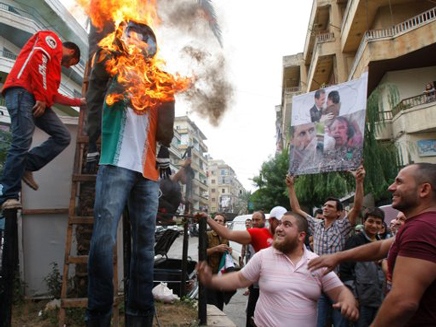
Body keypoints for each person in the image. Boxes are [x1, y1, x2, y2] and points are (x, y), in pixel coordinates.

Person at [85, 22, 174, 327]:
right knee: (103, 240)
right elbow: (94, 98)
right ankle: (98, 317)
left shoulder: (157, 76)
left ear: (152, 45)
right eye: (134, 36)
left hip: (147, 170)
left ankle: (139, 318)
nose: (139, 41)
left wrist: (165, 148)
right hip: (114, 161)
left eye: (146, 38)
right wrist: (92, 144)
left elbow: (167, 110)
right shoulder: (112, 65)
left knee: (145, 248)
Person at [308, 163, 436, 327]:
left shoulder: (421, 228)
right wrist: (338, 257)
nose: (391, 187)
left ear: (424, 190)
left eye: (399, 182)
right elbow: (381, 247)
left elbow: (403, 301)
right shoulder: (419, 226)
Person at [197, 211, 359, 327]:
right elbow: (239, 278)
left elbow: (340, 291)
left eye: (286, 224)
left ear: (301, 236)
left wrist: (348, 301)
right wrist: (211, 280)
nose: (279, 228)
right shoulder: (264, 256)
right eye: (279, 223)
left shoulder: (315, 263)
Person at [0, 31, 84, 210]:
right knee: (21, 140)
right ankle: (8, 196)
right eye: (71, 62)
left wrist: (78, 102)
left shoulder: (53, 72)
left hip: (38, 99)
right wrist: (40, 96)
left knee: (62, 136)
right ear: (70, 51)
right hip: (22, 91)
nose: (68, 66)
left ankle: (26, 165)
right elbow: (38, 59)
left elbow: (53, 95)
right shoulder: (51, 39)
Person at [286, 165, 365, 327]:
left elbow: (357, 208)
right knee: (319, 323)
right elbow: (296, 209)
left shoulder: (343, 226)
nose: (325, 207)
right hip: (319, 284)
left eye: (330, 206)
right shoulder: (316, 224)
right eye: (325, 205)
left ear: (338, 213)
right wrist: (291, 186)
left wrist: (359, 182)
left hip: (338, 284)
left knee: (340, 324)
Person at [205, 206, 287, 326]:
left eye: (285, 223)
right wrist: (207, 219)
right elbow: (228, 234)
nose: (281, 226)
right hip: (258, 285)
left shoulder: (288, 239)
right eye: (279, 222)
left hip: (279, 292)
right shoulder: (258, 234)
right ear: (271, 221)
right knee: (252, 314)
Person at [340, 207, 385, 327]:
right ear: (364, 222)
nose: (374, 225)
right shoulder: (355, 241)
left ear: (382, 225)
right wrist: (353, 297)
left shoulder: (383, 244)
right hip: (361, 301)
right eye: (370, 221)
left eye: (378, 223)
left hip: (380, 299)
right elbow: (345, 270)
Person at [206, 214, 233, 310]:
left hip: (221, 276)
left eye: (220, 221)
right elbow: (201, 253)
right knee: (211, 304)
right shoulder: (208, 235)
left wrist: (229, 251)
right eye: (216, 220)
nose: (218, 222)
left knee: (220, 303)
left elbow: (227, 256)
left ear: (224, 224)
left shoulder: (226, 236)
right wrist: (216, 249)